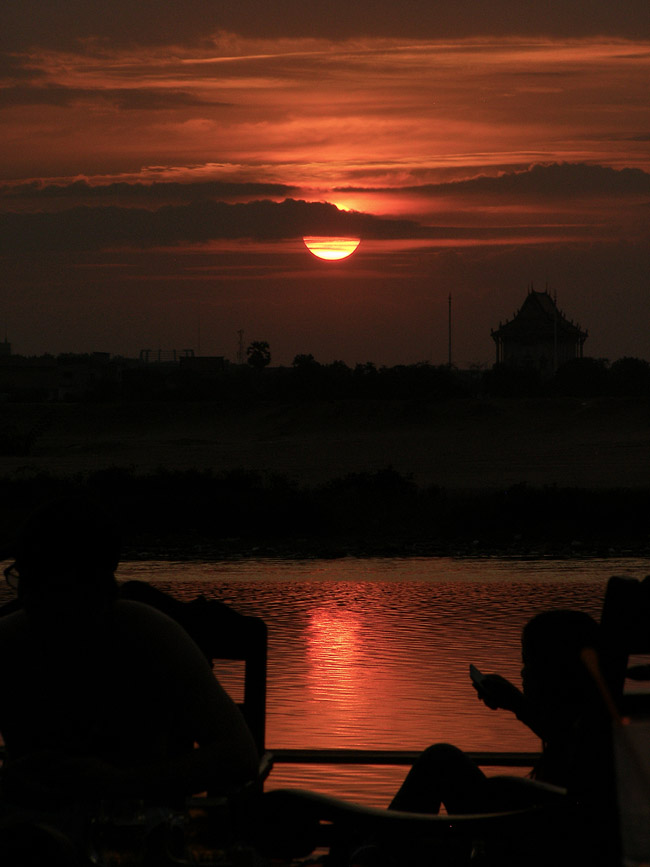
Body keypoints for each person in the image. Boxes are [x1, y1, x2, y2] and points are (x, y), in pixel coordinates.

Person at [0, 495, 259, 817]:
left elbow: (238, 754)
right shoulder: (9, 641)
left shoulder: (151, 635)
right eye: (23, 578)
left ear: (90, 584)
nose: (28, 596)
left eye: (46, 582)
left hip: (136, 826)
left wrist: (124, 783)